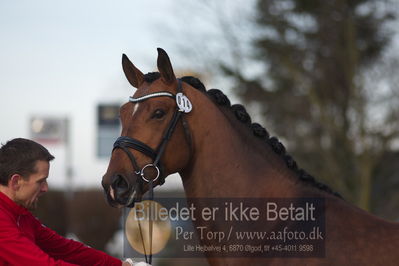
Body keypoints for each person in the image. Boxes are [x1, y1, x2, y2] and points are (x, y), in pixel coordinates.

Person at [0, 138, 146, 266]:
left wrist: (122, 265)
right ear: (16, 181)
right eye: (40, 181)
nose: (45, 188)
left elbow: (66, 249)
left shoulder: (21, 216)